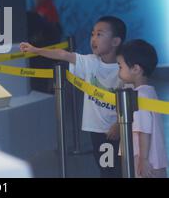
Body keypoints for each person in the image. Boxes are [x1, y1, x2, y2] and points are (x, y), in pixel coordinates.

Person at [20, 16, 127, 178]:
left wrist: (119, 125)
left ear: (115, 41)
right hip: (97, 131)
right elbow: (63, 54)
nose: (93, 39)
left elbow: (132, 100)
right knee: (106, 168)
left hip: (116, 131)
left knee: (116, 170)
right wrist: (36, 50)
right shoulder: (90, 62)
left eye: (99, 34)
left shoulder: (124, 69)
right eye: (92, 34)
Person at [116, 39, 168, 178]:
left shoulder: (139, 97)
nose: (118, 70)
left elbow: (144, 131)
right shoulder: (149, 91)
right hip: (155, 159)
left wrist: (143, 160)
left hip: (144, 160)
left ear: (136, 69)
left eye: (120, 66)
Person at [26, 0, 62, 93]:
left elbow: (39, 23)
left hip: (45, 47)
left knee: (42, 76)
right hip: (45, 47)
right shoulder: (44, 7)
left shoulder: (45, 8)